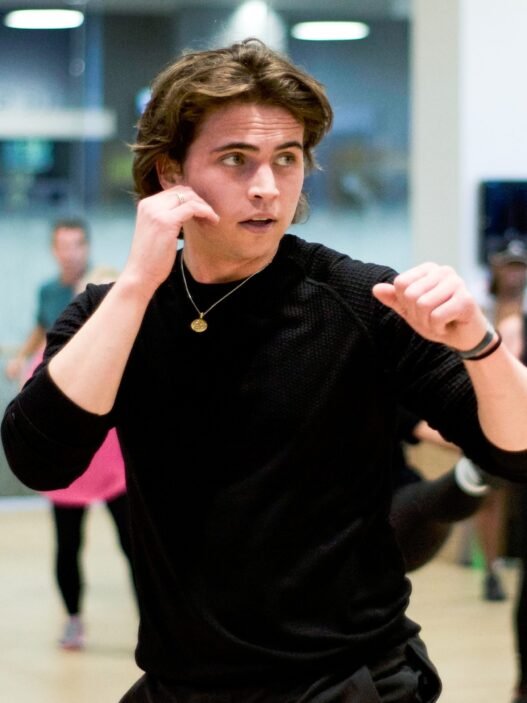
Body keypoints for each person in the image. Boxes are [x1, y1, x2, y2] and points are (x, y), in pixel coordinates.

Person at [3, 38, 527, 702]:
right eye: (235, 159)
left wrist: (481, 345)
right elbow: (40, 459)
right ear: (170, 173)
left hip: (345, 680)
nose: (266, 187)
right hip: (183, 682)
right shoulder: (114, 313)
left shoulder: (361, 300)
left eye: (286, 158)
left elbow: (517, 451)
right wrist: (136, 284)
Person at [24, 265, 137, 651]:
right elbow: (35, 404)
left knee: (136, 547)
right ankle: (73, 620)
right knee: (69, 545)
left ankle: (154, 622)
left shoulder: (134, 345)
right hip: (71, 472)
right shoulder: (60, 349)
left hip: (118, 471)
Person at [472, 239, 527, 601]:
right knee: (488, 494)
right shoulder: (480, 310)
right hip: (486, 411)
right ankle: (491, 571)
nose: (515, 274)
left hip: (523, 412)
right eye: (509, 266)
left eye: (520, 266)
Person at [390, 408, 488, 573]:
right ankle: (471, 476)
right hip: (367, 517)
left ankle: (470, 476)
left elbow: (422, 427)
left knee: (425, 505)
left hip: (399, 500)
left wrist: (487, 446)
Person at [4, 217, 90, 383]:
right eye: (64, 247)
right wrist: (21, 358)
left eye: (76, 246)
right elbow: (41, 327)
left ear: (87, 247)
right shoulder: (47, 290)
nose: (70, 254)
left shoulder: (102, 285)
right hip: (54, 367)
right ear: (54, 250)